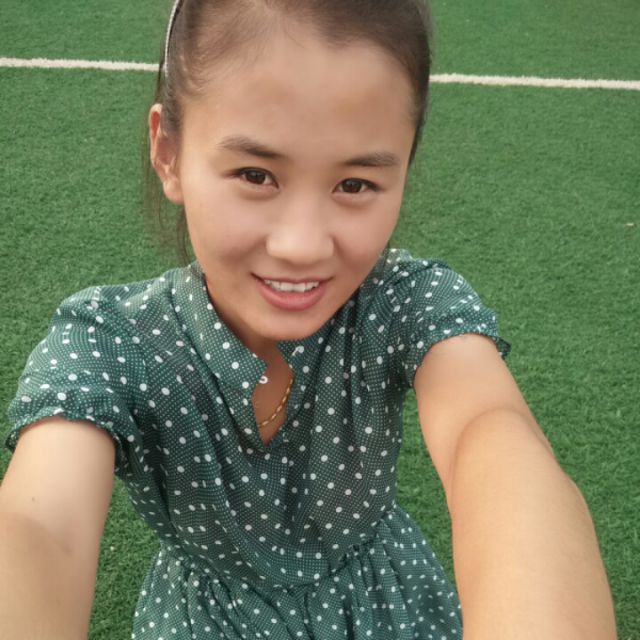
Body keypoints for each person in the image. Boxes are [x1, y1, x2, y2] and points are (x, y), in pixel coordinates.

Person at [0, 1, 617, 638]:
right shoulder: (110, 344)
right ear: (169, 153)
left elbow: (490, 431)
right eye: (256, 174)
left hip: (389, 606)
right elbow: (44, 527)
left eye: (355, 184)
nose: (302, 245)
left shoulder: (403, 300)